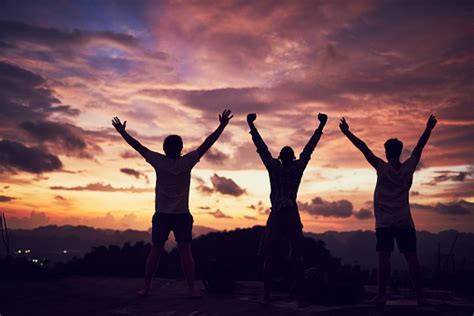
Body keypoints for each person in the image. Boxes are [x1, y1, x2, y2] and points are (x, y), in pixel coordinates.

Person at [112, 109, 233, 298]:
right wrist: (222, 125)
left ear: (164, 148)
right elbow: (207, 144)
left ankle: (146, 288)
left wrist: (122, 132)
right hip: (182, 215)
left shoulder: (158, 161)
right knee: (186, 252)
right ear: (181, 148)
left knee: (156, 251)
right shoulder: (187, 162)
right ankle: (191, 289)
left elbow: (138, 146)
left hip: (161, 214)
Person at [339, 114, 437, 306]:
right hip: (404, 221)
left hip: (384, 222)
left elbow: (363, 148)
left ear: (386, 152)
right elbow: (419, 147)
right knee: (411, 259)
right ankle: (420, 296)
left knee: (383, 258)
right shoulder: (408, 167)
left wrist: (347, 132)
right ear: (400, 152)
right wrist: (429, 129)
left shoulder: (381, 168)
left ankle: (382, 295)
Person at [247, 112, 328, 304]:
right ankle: (297, 291)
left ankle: (268, 293)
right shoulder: (297, 168)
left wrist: (251, 126)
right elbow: (309, 149)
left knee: (270, 254)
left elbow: (262, 148)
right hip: (291, 214)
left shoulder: (274, 168)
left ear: (281, 158)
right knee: (296, 253)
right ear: (292, 158)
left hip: (277, 215)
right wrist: (320, 127)